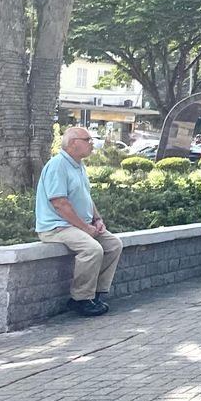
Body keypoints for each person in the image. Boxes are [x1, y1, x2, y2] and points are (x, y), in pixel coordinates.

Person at [35, 127, 124, 316]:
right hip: (57, 227)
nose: (92, 144)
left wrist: (97, 219)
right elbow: (59, 203)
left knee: (113, 245)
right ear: (73, 143)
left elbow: (85, 197)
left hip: (80, 225)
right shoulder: (58, 165)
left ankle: (96, 294)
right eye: (88, 140)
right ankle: (80, 299)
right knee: (92, 249)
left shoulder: (78, 165)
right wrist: (85, 228)